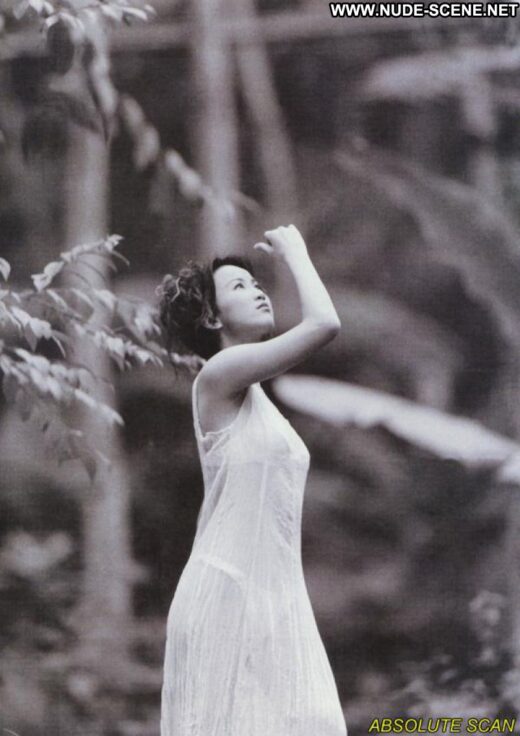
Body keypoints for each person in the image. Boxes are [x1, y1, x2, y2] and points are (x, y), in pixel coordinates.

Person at [155, 224, 347, 736]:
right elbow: (324, 323)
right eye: (240, 286)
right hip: (228, 594)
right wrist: (296, 251)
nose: (259, 290)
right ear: (212, 317)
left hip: (269, 597)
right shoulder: (218, 375)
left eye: (257, 283)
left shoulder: (252, 394)